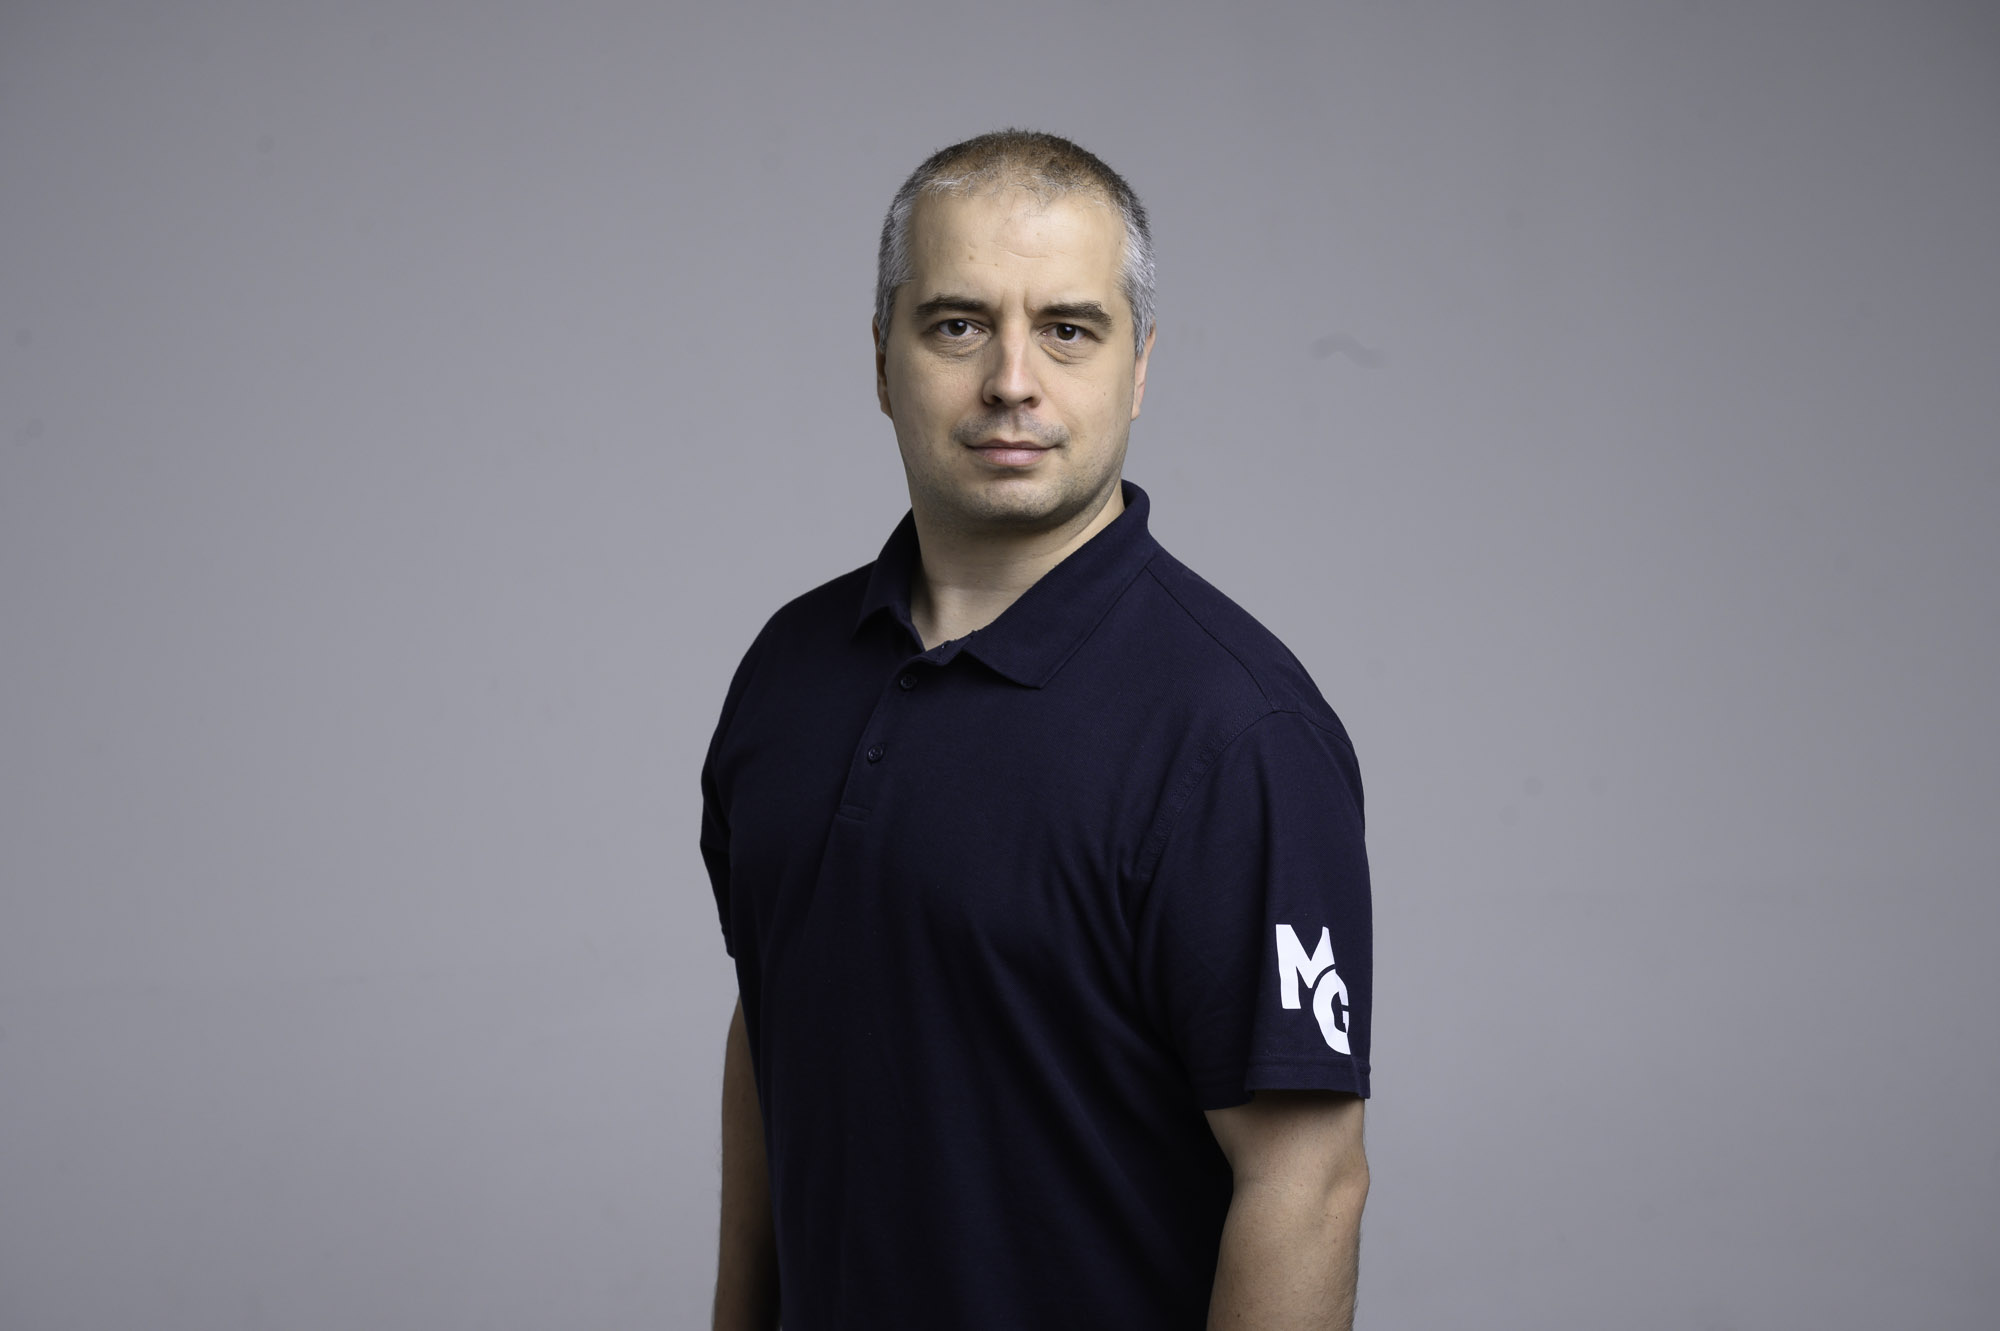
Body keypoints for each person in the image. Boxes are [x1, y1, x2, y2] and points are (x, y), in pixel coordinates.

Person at [701, 129, 1373, 1330]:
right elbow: (774, 1026)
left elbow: (1306, 1184)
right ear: (881, 356)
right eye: (957, 325)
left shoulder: (1236, 734)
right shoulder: (787, 673)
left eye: (1067, 329)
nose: (1011, 379)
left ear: (1138, 366)